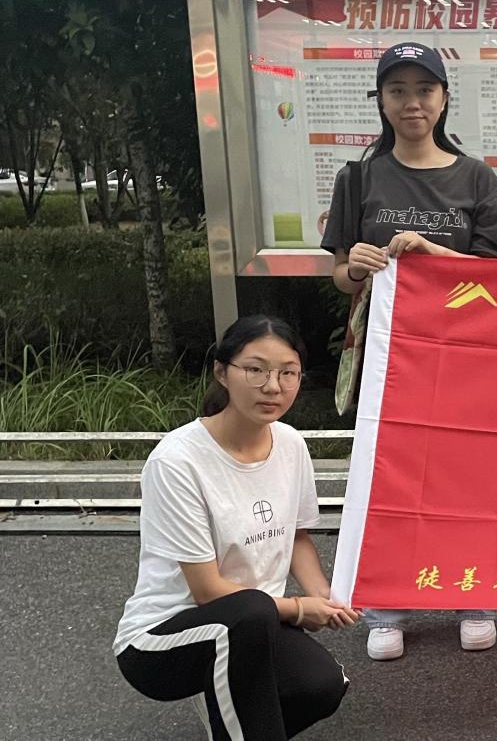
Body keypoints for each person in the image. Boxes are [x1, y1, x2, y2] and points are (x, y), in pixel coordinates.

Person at [322, 41, 497, 661]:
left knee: (467, 477)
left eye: (424, 90)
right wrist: (355, 266)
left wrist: (437, 255)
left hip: (466, 358)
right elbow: (340, 276)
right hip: (390, 363)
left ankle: (473, 595)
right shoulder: (358, 177)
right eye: (398, 90)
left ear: (444, 98)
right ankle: (387, 606)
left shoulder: (476, 177)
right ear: (381, 101)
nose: (412, 103)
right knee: (392, 477)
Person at [114, 316, 354, 740]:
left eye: (288, 373)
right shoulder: (177, 461)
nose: (273, 386)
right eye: (256, 370)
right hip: (163, 637)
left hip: (254, 625)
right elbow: (207, 590)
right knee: (250, 612)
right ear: (222, 372)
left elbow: (296, 536)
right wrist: (300, 610)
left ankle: (225, 707)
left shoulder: (291, 445)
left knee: (322, 685)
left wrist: (322, 595)